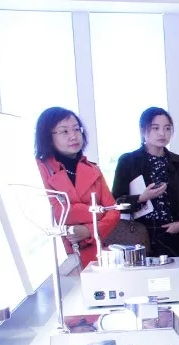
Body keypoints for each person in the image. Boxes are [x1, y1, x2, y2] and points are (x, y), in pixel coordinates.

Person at [35, 107, 120, 268]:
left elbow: (114, 211)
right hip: (59, 257)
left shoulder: (93, 169)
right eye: (64, 131)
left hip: (95, 253)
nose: (73, 136)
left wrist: (89, 230)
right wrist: (98, 212)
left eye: (76, 129)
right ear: (48, 137)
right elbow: (57, 211)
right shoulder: (40, 169)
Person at [112, 107, 179, 268]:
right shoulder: (128, 161)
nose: (162, 133)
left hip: (174, 234)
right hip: (140, 236)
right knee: (143, 280)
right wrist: (141, 198)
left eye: (167, 128)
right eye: (155, 128)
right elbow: (116, 202)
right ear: (143, 130)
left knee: (178, 279)